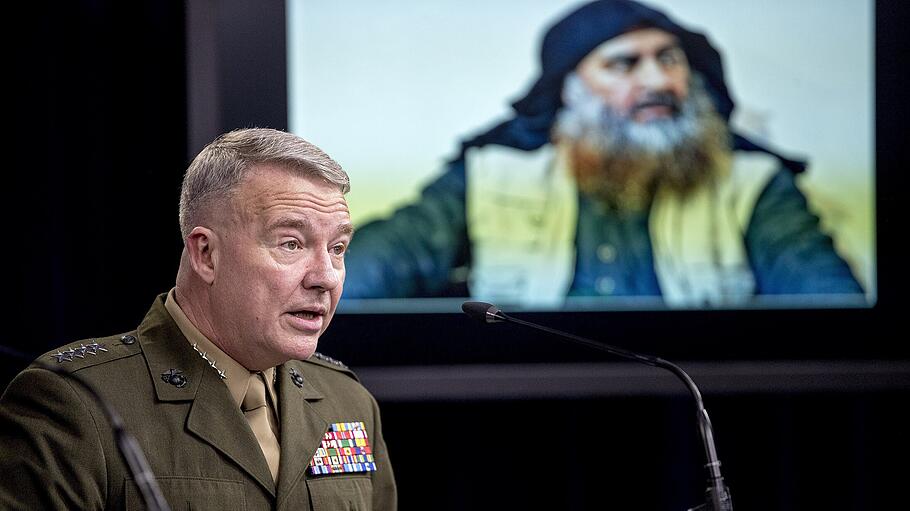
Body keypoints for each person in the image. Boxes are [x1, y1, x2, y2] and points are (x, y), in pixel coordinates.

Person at [343, 0, 863, 308]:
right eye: (624, 65)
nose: (658, 80)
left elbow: (827, 304)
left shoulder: (750, 182)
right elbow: (378, 267)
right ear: (570, 91)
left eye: (669, 59)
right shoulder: (492, 172)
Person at [0, 128, 397, 509]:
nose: (326, 276)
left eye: (338, 247)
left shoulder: (347, 402)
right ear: (206, 254)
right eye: (291, 243)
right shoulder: (75, 403)